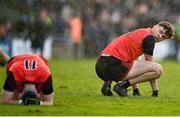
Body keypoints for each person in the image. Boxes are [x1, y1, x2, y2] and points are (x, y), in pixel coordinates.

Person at [95, 21, 175, 97]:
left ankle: (107, 86)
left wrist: (135, 90)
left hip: (100, 66)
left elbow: (134, 61)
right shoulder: (150, 38)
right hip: (113, 65)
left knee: (131, 62)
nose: (160, 36)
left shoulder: (142, 32)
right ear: (155, 27)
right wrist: (155, 91)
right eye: (160, 32)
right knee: (158, 69)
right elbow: (151, 65)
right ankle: (122, 86)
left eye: (163, 37)